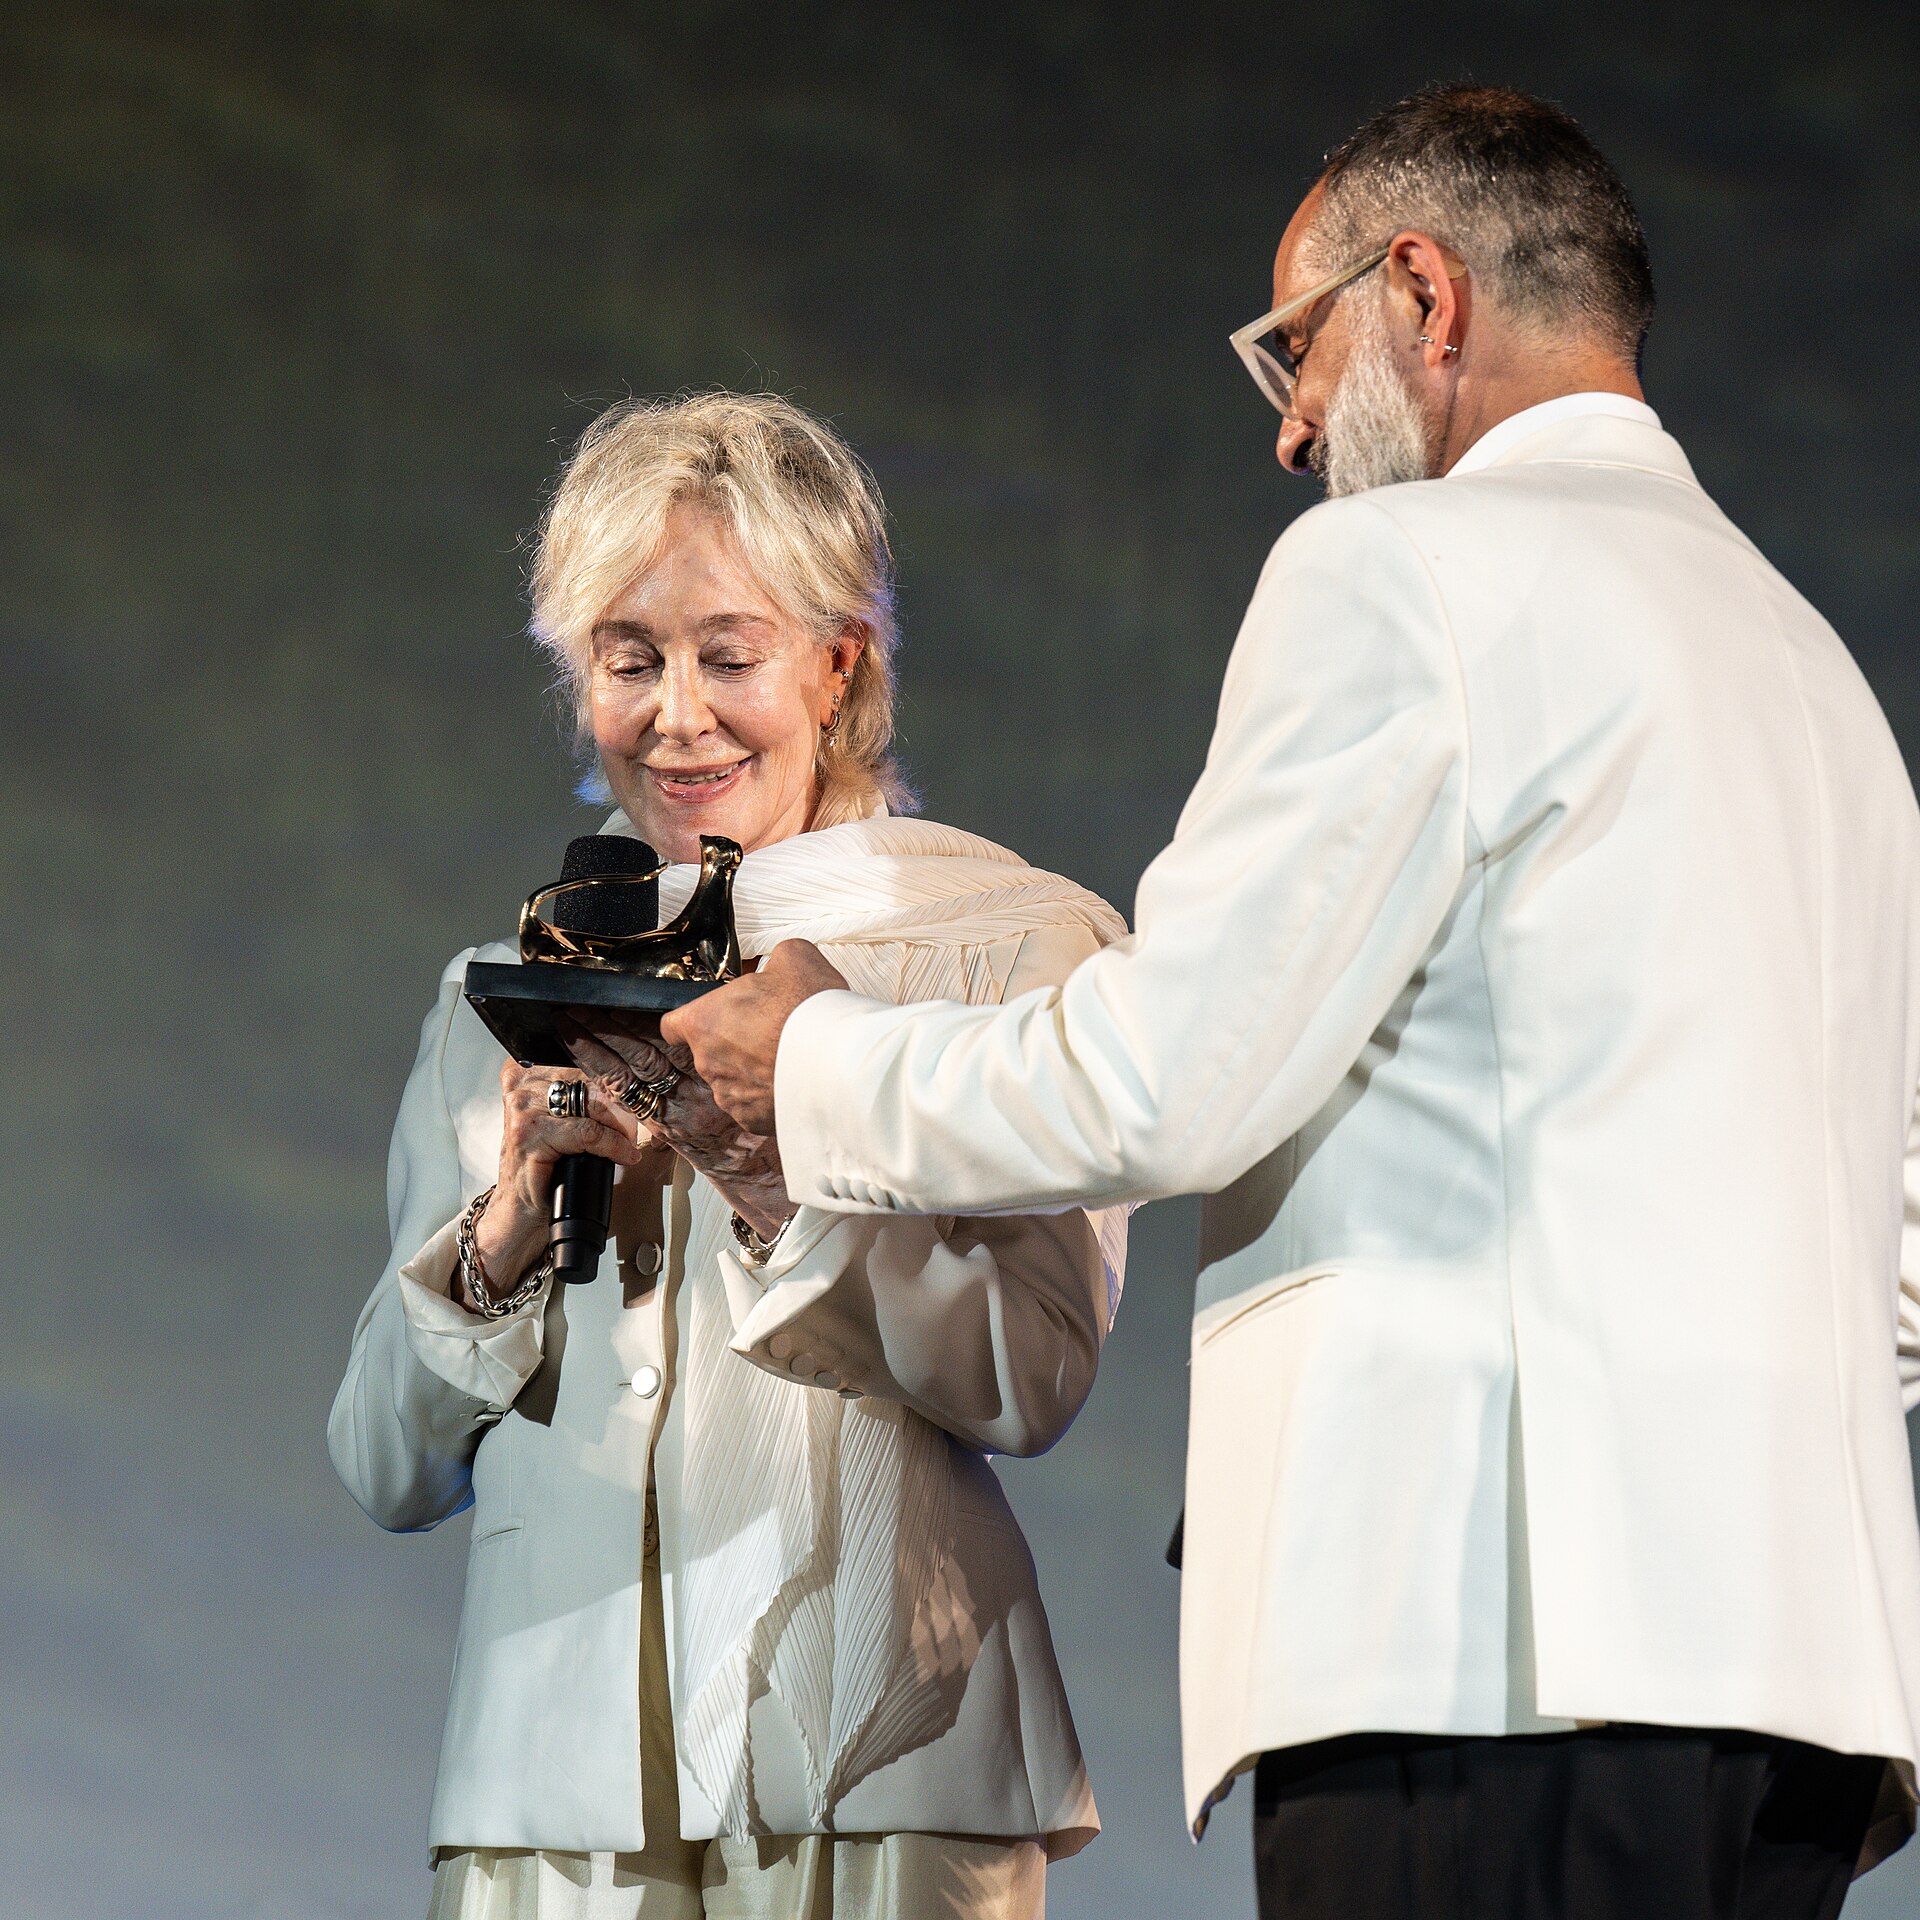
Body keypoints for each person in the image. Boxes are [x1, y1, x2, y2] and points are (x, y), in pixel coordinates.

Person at [665, 87, 1920, 1920]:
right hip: (1798, 1684)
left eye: (1295, 347)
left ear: (1423, 293)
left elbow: (1176, 1072)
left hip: (1484, 1650)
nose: (1292, 427)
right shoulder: (1818, 678)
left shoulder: (1404, 573)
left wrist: (814, 1068)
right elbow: (1896, 1253)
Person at [328, 392, 1130, 1920]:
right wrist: (505, 1228)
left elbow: (1032, 1374)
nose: (678, 717)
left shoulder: (1005, 950)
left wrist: (775, 1186)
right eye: (629, 659)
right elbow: (380, 1462)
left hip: (881, 1763)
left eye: (729, 654)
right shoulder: (499, 998)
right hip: (551, 1805)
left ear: (840, 662)